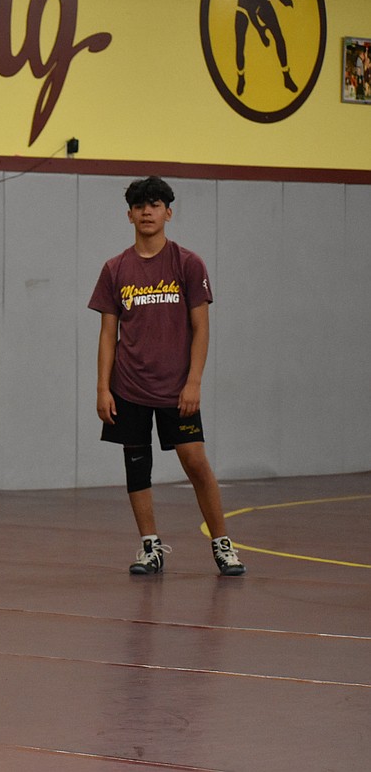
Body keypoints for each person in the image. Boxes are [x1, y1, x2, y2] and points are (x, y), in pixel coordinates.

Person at [87, 176, 245, 577]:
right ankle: (150, 546)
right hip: (128, 386)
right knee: (136, 465)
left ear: (168, 213)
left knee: (195, 461)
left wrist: (193, 382)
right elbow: (109, 333)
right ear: (129, 215)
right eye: (139, 206)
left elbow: (201, 328)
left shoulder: (187, 264)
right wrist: (103, 387)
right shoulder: (114, 268)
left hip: (177, 388)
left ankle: (222, 543)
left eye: (155, 205)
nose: (147, 212)